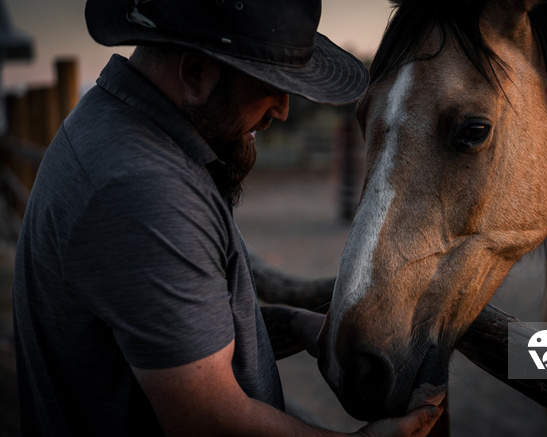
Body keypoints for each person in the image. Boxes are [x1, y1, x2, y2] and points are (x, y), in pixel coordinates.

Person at [11, 0, 444, 436]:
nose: (283, 109)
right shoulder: (144, 189)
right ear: (196, 72)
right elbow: (205, 418)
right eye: (267, 82)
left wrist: (301, 326)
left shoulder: (113, 130)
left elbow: (182, 345)